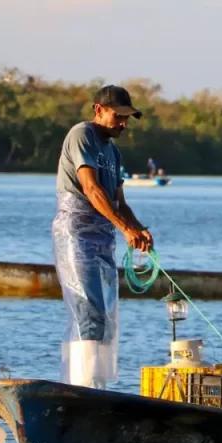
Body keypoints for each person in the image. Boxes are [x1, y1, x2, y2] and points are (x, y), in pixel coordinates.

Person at [53, 84, 153, 389]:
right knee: (89, 309)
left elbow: (119, 202)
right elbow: (92, 190)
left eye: (127, 118)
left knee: (107, 315)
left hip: (103, 238)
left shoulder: (113, 151)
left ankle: (98, 385)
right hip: (77, 236)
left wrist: (138, 228)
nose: (123, 124)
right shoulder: (82, 135)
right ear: (99, 110)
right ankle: (81, 387)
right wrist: (125, 229)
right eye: (118, 116)